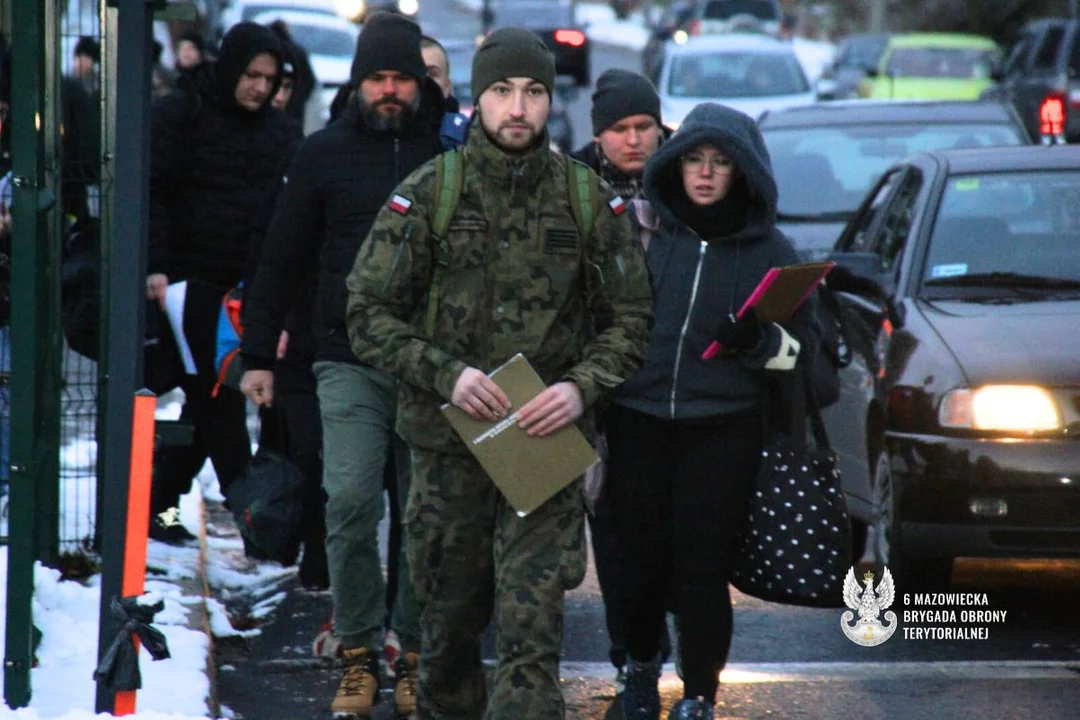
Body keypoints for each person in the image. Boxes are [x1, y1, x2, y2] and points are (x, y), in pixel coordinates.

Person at [344, 27, 653, 720]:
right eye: (503, 91)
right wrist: (446, 374)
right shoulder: (431, 193)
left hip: (540, 450)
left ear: (551, 102)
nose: (519, 108)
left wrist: (579, 389)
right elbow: (366, 312)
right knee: (447, 634)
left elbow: (631, 319)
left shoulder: (584, 200)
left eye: (534, 92)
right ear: (478, 99)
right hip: (447, 448)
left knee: (530, 631)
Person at [239, 12, 447, 718]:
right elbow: (282, 254)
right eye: (377, 79)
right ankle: (359, 651)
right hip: (346, 358)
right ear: (359, 84)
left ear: (420, 84)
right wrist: (258, 353)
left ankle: (415, 652)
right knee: (352, 500)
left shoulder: (454, 156)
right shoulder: (324, 154)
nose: (390, 91)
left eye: (401, 79)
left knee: (425, 515)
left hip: (431, 365)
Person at [605, 102, 823, 720]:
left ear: (743, 172)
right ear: (674, 165)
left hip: (723, 426)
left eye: (720, 163)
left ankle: (700, 692)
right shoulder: (640, 231)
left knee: (701, 568)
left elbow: (802, 360)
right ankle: (640, 672)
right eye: (695, 159)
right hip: (637, 416)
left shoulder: (772, 252)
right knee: (639, 564)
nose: (704, 174)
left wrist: (759, 343)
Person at [146, 22, 301, 543]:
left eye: (270, 77)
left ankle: (159, 507)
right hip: (189, 287)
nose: (260, 87)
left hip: (247, 289)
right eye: (251, 75)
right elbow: (155, 193)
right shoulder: (184, 114)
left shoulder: (280, 133)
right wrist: (158, 266)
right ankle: (251, 511)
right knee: (215, 399)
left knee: (206, 402)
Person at [569, 66, 672, 693]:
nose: (634, 140)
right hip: (595, 381)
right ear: (598, 134)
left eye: (645, 127)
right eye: (619, 129)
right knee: (610, 524)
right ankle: (629, 643)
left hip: (666, 382)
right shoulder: (571, 186)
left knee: (663, 524)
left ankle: (655, 638)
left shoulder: (688, 178)